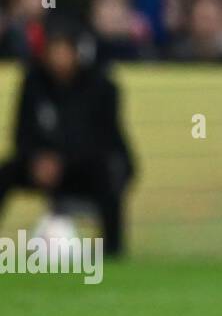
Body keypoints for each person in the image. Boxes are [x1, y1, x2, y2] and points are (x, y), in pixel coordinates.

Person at [0, 18, 135, 256]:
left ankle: (113, 250)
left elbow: (103, 138)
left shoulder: (101, 85)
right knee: (5, 172)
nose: (59, 58)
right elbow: (22, 132)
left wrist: (63, 161)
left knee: (107, 173)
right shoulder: (33, 82)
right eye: (54, 51)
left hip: (86, 164)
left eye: (65, 50)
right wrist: (36, 159)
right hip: (40, 164)